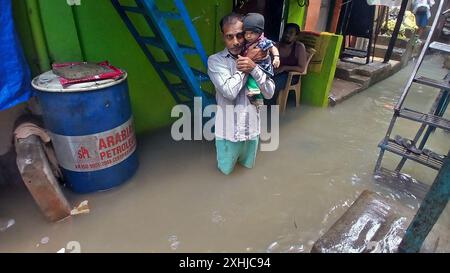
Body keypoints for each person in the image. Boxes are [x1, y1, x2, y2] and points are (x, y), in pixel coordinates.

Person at [207, 13, 275, 175]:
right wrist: (246, 64)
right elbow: (229, 92)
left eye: (239, 35)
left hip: (252, 131)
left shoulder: (261, 58)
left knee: (247, 172)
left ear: (247, 33)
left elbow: (270, 93)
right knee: (225, 174)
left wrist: (255, 68)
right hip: (228, 133)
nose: (236, 41)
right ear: (223, 37)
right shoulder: (216, 61)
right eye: (230, 37)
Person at [242, 13, 280, 109]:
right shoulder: (248, 42)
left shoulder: (262, 41)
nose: (248, 36)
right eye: (246, 33)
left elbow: (272, 48)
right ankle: (258, 100)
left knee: (251, 74)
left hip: (262, 66)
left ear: (259, 32)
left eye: (252, 33)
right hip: (256, 67)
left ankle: (255, 93)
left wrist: (276, 57)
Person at [267, 23, 307, 105]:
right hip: (276, 73)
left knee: (271, 87)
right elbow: (270, 63)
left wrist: (284, 68)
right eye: (286, 32)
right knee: (263, 83)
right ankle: (264, 112)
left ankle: (270, 114)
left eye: (291, 33)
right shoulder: (276, 46)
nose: (287, 35)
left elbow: (302, 68)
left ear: (296, 36)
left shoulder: (299, 47)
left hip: (291, 76)